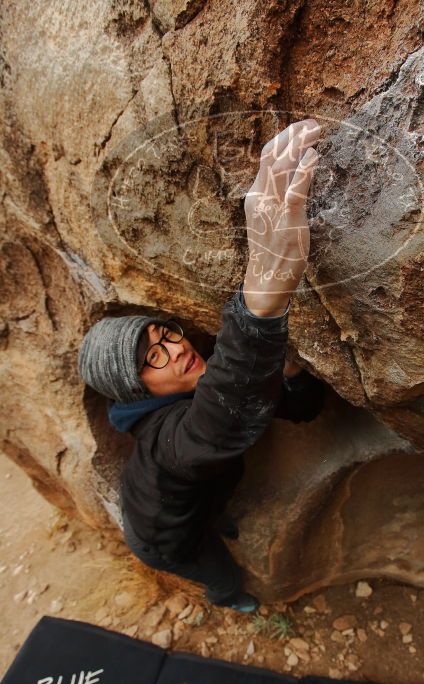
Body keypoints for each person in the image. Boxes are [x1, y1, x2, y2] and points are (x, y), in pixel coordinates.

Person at [78, 119, 326, 612]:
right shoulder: (164, 440)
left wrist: (291, 373)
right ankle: (229, 598)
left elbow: (293, 409)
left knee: (210, 512)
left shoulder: (195, 382)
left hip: (193, 500)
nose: (174, 348)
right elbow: (214, 426)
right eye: (153, 358)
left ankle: (213, 519)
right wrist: (259, 311)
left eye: (164, 334)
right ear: (140, 392)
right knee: (214, 566)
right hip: (160, 539)